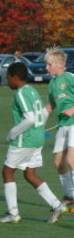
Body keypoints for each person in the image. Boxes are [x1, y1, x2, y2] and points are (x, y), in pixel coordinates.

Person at [0, 62, 67, 224]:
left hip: (24, 140)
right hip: (37, 138)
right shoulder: (32, 91)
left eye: (8, 77)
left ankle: (13, 214)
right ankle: (57, 206)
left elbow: (30, 118)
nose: (7, 80)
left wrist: (12, 133)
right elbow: (41, 114)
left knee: (7, 172)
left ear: (15, 78)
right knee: (29, 174)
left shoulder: (20, 93)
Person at [44, 48, 74, 205]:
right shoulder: (52, 83)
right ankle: (70, 195)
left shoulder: (70, 78)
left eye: (49, 65)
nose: (46, 68)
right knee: (58, 162)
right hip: (62, 125)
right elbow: (51, 104)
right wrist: (38, 120)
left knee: (71, 159)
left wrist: (72, 109)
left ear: (60, 64)